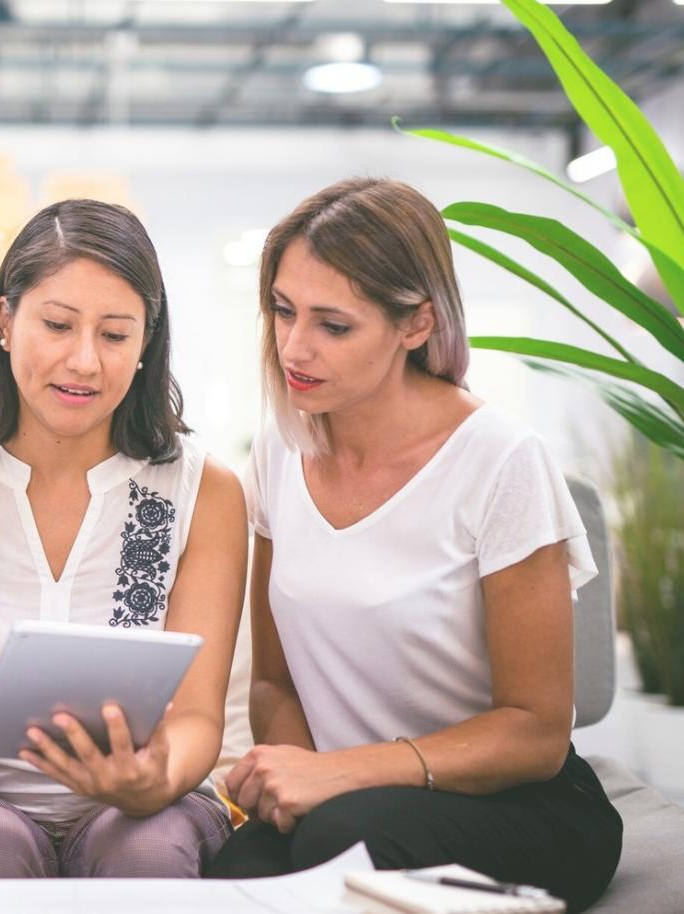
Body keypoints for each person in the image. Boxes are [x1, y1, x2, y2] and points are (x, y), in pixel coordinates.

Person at [203, 177, 621, 912]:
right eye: (283, 310)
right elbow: (273, 682)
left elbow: (536, 732)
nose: (295, 346)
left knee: (341, 839)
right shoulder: (279, 452)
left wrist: (345, 775)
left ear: (417, 323)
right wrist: (298, 772)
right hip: (352, 804)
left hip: (523, 806)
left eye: (334, 326)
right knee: (231, 871)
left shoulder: (501, 460)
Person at [0, 199, 247, 879]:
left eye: (115, 335)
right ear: (5, 322)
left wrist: (154, 779)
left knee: (146, 851)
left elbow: (199, 719)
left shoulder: (208, 491)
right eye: (57, 325)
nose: (84, 361)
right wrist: (44, 704)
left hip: (152, 803)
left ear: (146, 343)